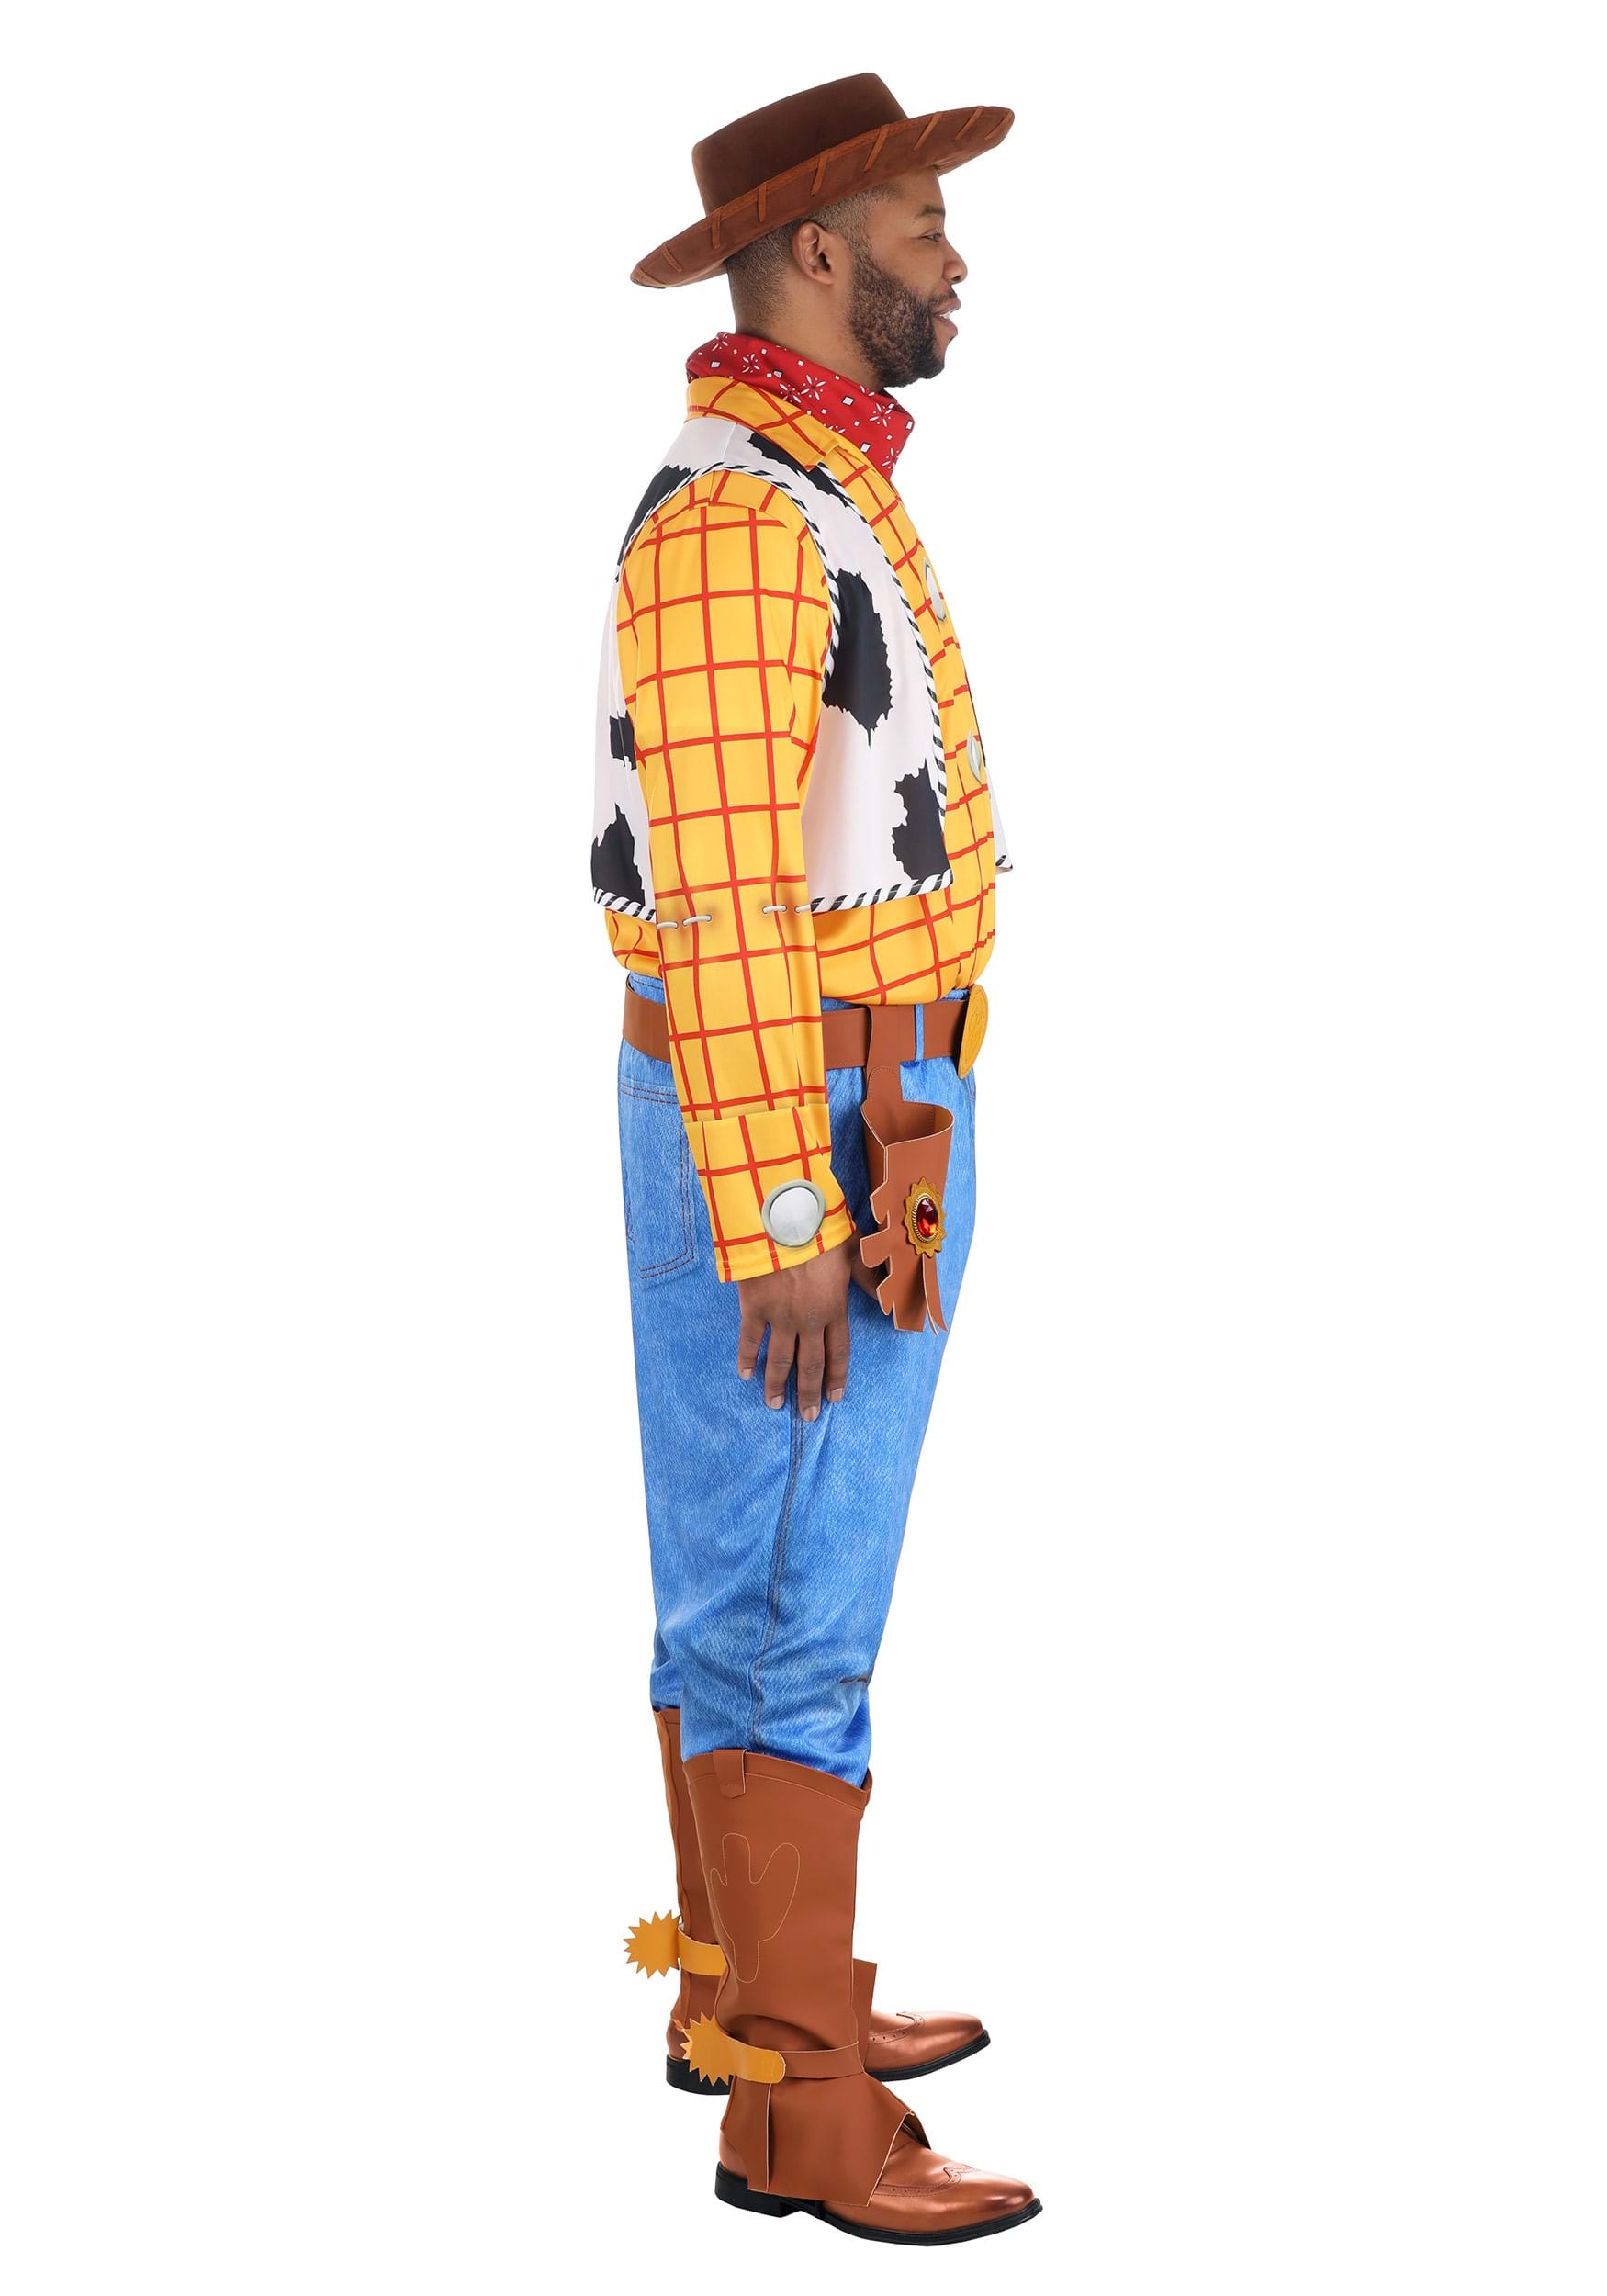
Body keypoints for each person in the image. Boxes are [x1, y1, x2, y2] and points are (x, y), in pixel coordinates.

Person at [594, 74, 1040, 2244]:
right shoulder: (735, 524)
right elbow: (721, 900)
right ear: (815, 251)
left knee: (758, 1570)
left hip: (864, 1097)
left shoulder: (810, 481)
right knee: (790, 1587)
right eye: (922, 225)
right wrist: (782, 1199)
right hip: (809, 1117)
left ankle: (747, 1993)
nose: (956, 261)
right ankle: (795, 2107)